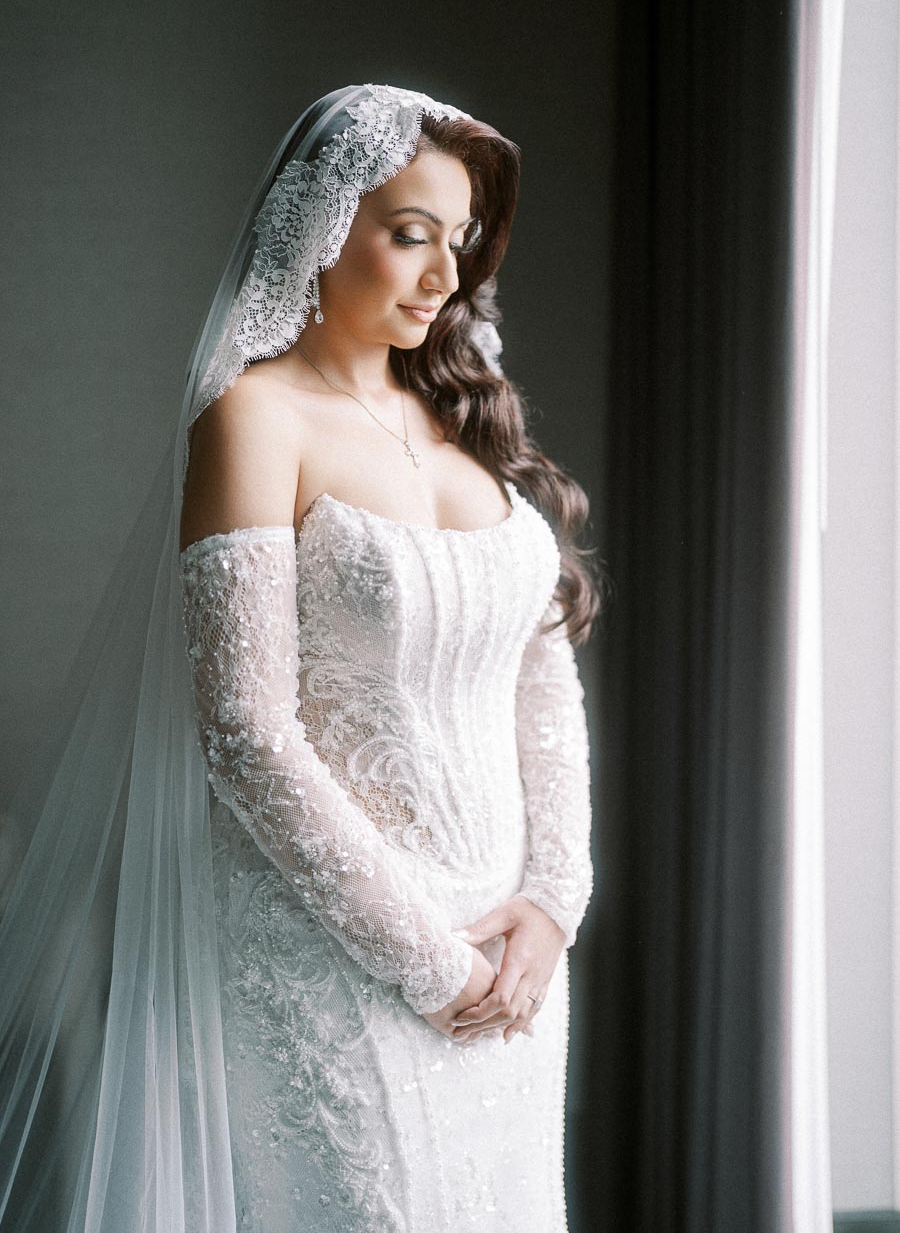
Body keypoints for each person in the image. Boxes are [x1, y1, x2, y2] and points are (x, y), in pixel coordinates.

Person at [0, 84, 603, 1231]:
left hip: (513, 967)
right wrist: (430, 963)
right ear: (324, 225)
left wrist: (551, 905)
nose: (443, 274)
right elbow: (245, 731)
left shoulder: (465, 422)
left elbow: (542, 678)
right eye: (411, 232)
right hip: (339, 958)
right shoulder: (254, 418)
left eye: (460, 240)